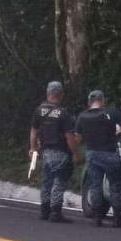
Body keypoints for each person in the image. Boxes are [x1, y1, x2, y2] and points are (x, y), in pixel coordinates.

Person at [75, 90, 121, 228]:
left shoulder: (83, 116)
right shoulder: (112, 113)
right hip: (110, 153)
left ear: (89, 101)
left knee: (95, 185)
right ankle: (117, 218)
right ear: (102, 100)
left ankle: (97, 217)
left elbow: (78, 138)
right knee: (115, 186)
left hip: (92, 153)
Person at [29, 81, 79, 223]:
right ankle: (55, 213)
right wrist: (75, 153)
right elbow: (69, 136)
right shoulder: (63, 113)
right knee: (59, 181)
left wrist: (33, 148)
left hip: (45, 152)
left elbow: (33, 131)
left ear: (48, 93)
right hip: (60, 151)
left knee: (46, 181)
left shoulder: (39, 110)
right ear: (61, 94)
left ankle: (44, 211)